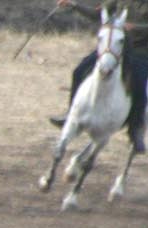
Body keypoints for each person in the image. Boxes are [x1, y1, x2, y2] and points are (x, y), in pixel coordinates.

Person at [48, 0, 148, 153]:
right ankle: (70, 114)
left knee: (139, 86)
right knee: (79, 70)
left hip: (139, 52)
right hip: (114, 47)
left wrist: (135, 27)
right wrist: (74, 6)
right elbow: (98, 13)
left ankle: (135, 131)